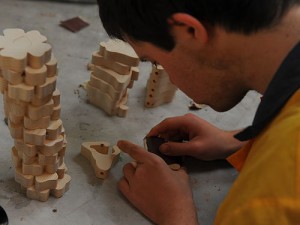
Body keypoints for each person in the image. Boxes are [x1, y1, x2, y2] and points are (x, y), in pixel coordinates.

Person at [96, 0, 300, 224]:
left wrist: (175, 213)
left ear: (189, 31)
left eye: (154, 61)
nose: (170, 78)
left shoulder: (273, 198)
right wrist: (240, 142)